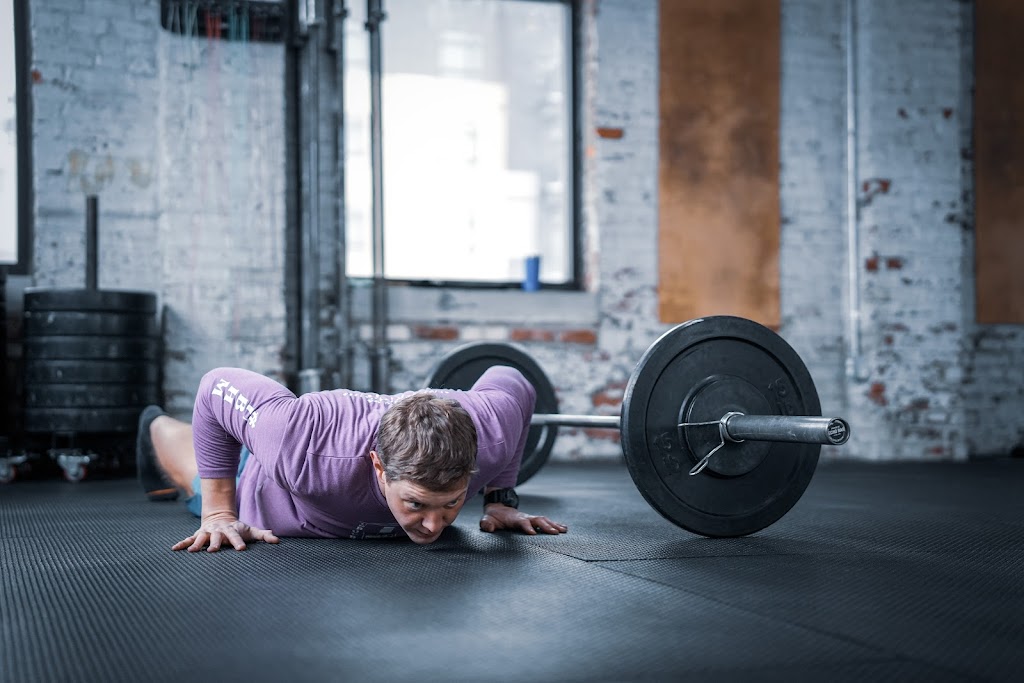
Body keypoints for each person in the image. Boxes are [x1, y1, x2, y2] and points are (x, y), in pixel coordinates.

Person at [136, 365, 568, 552]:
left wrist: (499, 500)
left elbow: (514, 382)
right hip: (266, 484)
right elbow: (215, 387)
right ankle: (153, 425)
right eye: (416, 504)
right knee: (188, 469)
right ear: (379, 468)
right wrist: (217, 512)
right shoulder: (300, 440)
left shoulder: (490, 432)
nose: (436, 525)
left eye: (452, 503)